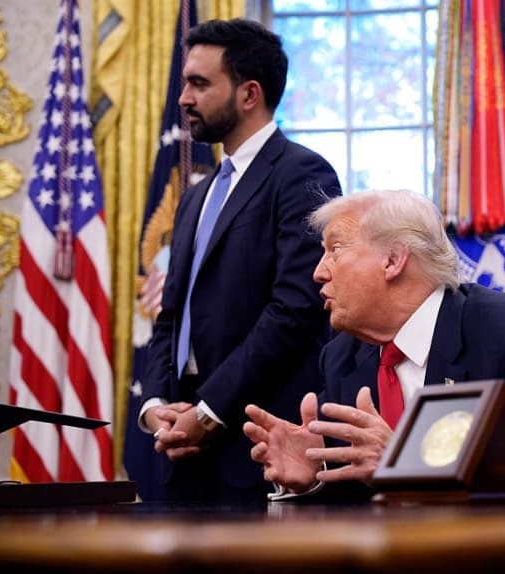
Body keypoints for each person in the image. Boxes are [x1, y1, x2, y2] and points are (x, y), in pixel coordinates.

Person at [243, 189, 505, 502]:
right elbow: (362, 491)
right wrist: (314, 474)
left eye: (334, 249)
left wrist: (408, 460)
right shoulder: (341, 357)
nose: (319, 272)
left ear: (393, 260)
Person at [139, 18, 341, 505]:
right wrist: (156, 405)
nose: (183, 98)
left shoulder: (302, 173)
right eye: (186, 82)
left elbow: (294, 309)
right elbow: (170, 315)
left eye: (199, 84)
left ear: (249, 94)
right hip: (181, 446)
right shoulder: (196, 196)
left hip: (256, 444)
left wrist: (209, 411)